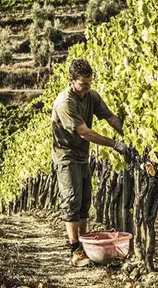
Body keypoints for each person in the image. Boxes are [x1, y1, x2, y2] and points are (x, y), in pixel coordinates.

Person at [52, 59, 128, 267]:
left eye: (89, 83)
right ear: (72, 81)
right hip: (66, 155)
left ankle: (85, 245)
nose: (87, 88)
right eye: (83, 84)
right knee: (71, 201)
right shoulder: (65, 103)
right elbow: (84, 132)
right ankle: (75, 249)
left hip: (82, 156)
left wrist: (128, 135)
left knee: (85, 201)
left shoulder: (91, 96)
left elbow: (110, 117)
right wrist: (114, 144)